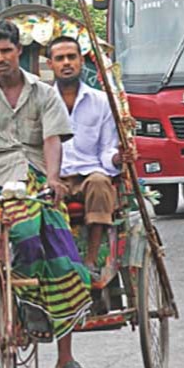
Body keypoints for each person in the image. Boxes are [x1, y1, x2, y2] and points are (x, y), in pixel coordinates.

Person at [0, 20, 97, 368]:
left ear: (18, 51)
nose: (0, 58)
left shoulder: (43, 93)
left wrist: (53, 179)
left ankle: (57, 343)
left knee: (52, 248)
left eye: (7, 50)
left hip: (37, 178)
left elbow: (53, 140)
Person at [48, 36, 126, 276]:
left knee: (101, 183)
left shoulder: (101, 101)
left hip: (88, 176)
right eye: (60, 58)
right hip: (53, 176)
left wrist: (116, 159)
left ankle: (91, 260)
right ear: (51, 64)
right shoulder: (42, 101)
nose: (66, 63)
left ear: (81, 61)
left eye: (71, 57)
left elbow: (106, 149)